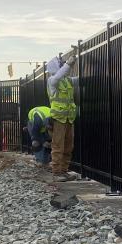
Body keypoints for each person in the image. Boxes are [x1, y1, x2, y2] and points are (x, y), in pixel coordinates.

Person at [46, 53, 77, 181]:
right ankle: (56, 173)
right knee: (58, 146)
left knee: (68, 146)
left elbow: (77, 79)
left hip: (69, 117)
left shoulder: (66, 80)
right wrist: (67, 64)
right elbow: (59, 75)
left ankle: (64, 171)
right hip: (58, 118)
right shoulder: (52, 81)